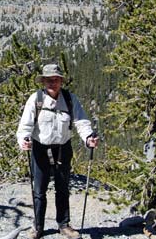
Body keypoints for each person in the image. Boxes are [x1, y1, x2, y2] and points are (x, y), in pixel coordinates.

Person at [16, 63, 99, 239]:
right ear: (43, 82)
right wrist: (23, 139)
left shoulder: (70, 99)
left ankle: (64, 225)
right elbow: (25, 125)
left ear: (61, 81)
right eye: (48, 80)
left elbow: (81, 122)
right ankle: (38, 226)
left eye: (55, 79)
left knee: (62, 188)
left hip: (63, 148)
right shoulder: (36, 99)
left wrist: (88, 137)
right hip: (40, 148)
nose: (52, 83)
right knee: (39, 190)